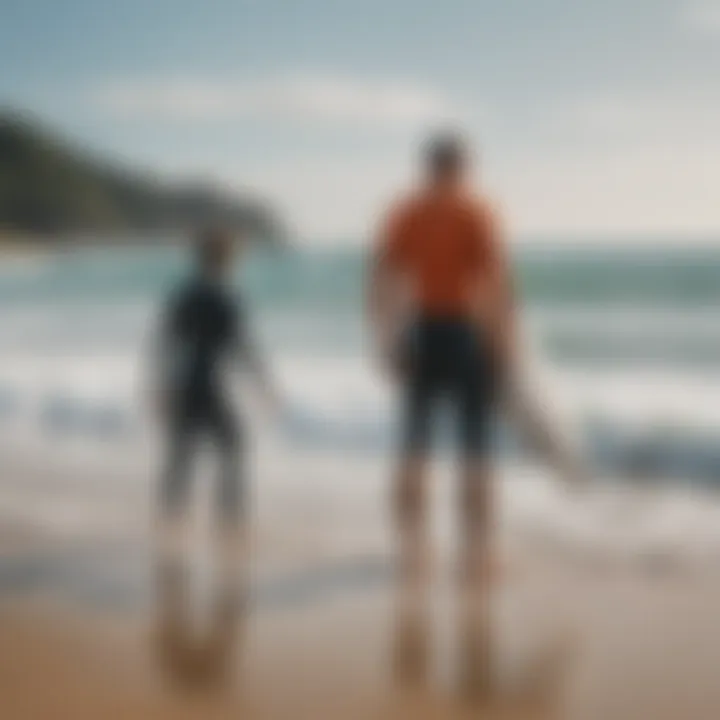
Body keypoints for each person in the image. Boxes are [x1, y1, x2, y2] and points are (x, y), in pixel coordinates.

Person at [368, 132, 515, 583]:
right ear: (463, 167)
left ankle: (412, 554)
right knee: (476, 452)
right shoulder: (476, 212)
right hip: (464, 335)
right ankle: (477, 556)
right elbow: (495, 286)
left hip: (421, 334)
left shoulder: (405, 213)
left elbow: (381, 280)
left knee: (414, 449)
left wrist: (387, 341)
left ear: (428, 167)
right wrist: (502, 349)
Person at [151, 227, 276, 542]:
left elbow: (165, 342)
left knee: (181, 455)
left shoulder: (185, 295)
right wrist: (263, 382)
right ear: (225, 259)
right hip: (210, 383)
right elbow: (243, 345)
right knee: (234, 445)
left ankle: (170, 521)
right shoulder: (225, 297)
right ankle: (229, 520)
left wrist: (161, 386)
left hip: (184, 382)